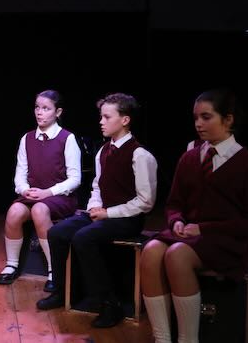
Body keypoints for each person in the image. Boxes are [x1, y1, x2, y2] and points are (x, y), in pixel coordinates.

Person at [37, 93, 158, 329]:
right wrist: (94, 206)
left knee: (84, 238)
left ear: (125, 120)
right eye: (101, 117)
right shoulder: (103, 151)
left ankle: (110, 303)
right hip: (103, 213)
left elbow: (146, 201)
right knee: (57, 232)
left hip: (127, 218)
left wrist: (108, 213)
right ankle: (63, 290)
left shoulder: (140, 155)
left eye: (107, 117)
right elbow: (97, 186)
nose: (101, 122)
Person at [141, 89, 248, 343]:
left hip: (225, 239)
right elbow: (174, 203)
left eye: (206, 117)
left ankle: (188, 339)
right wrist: (176, 220)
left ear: (228, 119)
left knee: (177, 254)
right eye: (195, 118)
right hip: (189, 234)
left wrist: (204, 229)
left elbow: (246, 221)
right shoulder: (190, 157)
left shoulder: (245, 161)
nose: (198, 124)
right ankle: (162, 338)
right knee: (151, 251)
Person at [0, 90, 81, 292]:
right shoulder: (27, 139)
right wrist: (25, 190)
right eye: (37, 107)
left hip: (59, 197)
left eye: (46, 108)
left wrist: (48, 193)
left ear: (58, 112)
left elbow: (75, 179)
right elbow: (20, 174)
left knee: (39, 210)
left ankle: (54, 270)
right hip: (34, 195)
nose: (39, 112)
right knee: (14, 212)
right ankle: (12, 264)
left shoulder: (67, 138)